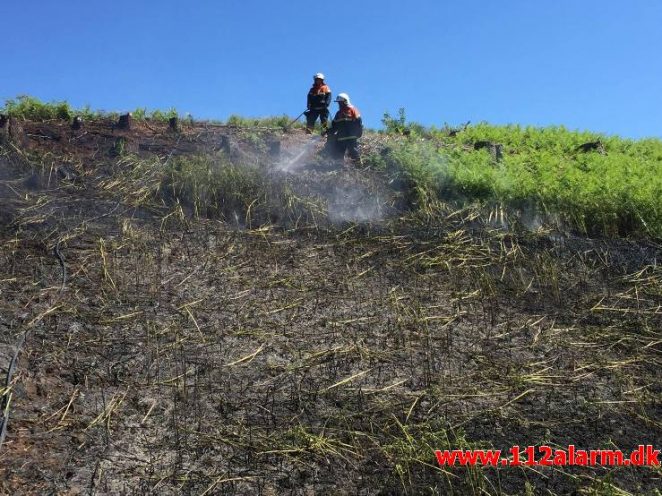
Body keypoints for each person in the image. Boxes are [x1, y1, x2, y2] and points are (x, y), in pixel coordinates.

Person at [325, 93, 363, 165]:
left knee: (353, 152)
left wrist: (359, 131)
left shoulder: (353, 110)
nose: (339, 104)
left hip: (351, 137)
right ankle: (339, 168)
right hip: (341, 138)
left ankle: (358, 166)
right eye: (338, 103)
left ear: (345, 101)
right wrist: (327, 131)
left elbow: (359, 122)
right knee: (338, 154)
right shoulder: (338, 113)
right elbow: (334, 126)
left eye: (340, 103)